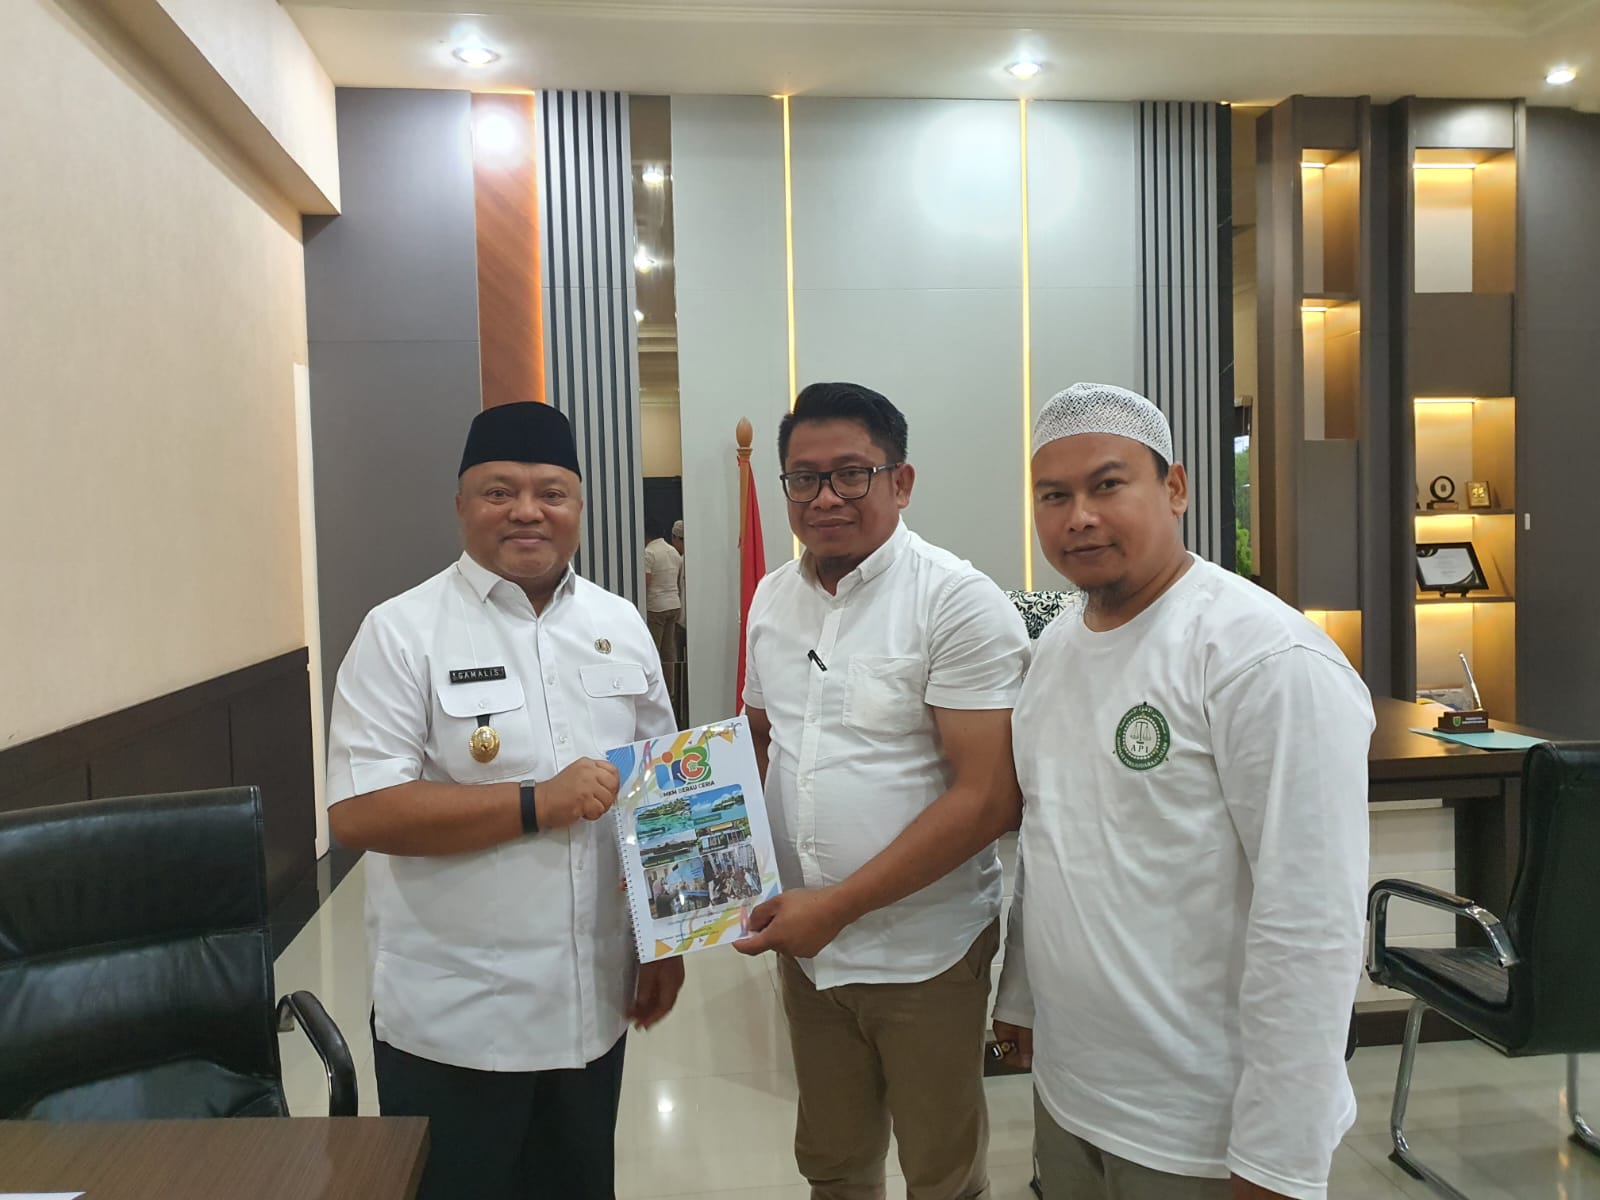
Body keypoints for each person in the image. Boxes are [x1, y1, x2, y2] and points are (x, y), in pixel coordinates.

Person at [992, 383, 1373, 1200]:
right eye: (1053, 496)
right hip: (1071, 1091)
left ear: (1175, 487)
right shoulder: (1054, 649)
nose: (1078, 517)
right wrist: (1020, 991)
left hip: (1202, 1128)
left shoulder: (1264, 658)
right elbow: (1049, 843)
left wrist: (1280, 1155)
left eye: (1107, 484)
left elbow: (1312, 924)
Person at [325, 401, 686, 1200]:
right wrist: (534, 803)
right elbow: (360, 811)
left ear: (579, 507)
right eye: (499, 492)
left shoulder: (621, 625)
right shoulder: (401, 632)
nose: (527, 511)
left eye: (551, 492)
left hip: (590, 1007)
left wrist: (665, 941)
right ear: (461, 505)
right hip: (456, 1020)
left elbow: (659, 790)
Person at [736, 381, 1031, 1200]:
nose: (825, 497)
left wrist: (835, 906)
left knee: (941, 1172)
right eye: (804, 478)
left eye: (851, 474)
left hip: (923, 953)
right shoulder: (770, 598)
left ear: (900, 482)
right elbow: (760, 740)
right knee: (834, 1162)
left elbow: (988, 798)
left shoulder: (957, 602)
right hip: (807, 952)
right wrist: (723, 875)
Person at [643, 518, 683, 698]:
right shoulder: (673, 552)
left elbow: (646, 582)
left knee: (654, 650)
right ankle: (670, 691)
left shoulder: (649, 553)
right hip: (674, 604)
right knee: (669, 652)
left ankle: (655, 693)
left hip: (656, 607)